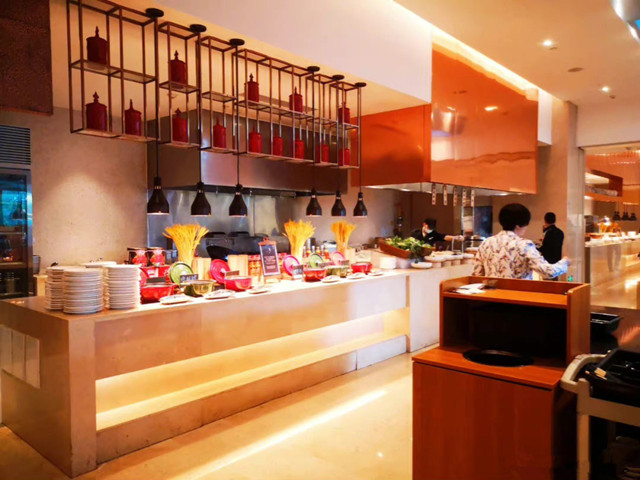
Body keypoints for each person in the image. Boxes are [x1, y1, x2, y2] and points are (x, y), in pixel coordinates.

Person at [473, 203, 569, 279]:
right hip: (518, 296)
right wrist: (565, 262)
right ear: (518, 226)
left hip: (491, 296)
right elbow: (548, 272)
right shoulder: (525, 245)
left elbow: (476, 274)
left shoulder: (486, 243)